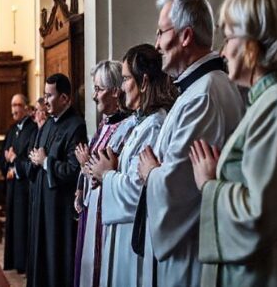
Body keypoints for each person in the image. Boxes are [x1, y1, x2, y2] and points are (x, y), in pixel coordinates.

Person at [190, 0, 277, 286]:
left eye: (229, 37)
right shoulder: (271, 99)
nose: (223, 51)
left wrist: (209, 185)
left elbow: (260, 215)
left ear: (253, 43)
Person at [136, 0, 244, 287]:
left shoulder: (204, 95)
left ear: (185, 36)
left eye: (161, 32)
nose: (156, 44)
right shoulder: (197, 89)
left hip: (190, 253)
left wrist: (150, 173)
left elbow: (180, 185)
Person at [87, 45, 176, 287]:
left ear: (143, 82)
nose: (122, 86)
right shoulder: (140, 123)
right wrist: (107, 171)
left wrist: (107, 175)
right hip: (123, 230)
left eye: (126, 79)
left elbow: (138, 191)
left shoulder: (154, 127)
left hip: (134, 235)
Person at [74, 61, 133, 287]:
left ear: (116, 91)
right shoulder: (104, 125)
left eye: (99, 89)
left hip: (108, 212)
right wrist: (81, 185)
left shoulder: (128, 127)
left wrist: (86, 164)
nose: (94, 95)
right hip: (92, 208)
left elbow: (109, 169)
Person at [26, 73, 87, 287]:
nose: (45, 101)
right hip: (41, 204)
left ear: (64, 98)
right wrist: (35, 160)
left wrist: (45, 162)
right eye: (44, 95)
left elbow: (73, 170)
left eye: (49, 96)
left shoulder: (76, 126)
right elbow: (35, 153)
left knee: (55, 261)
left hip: (58, 211)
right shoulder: (48, 124)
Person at [0, 93, 38, 274]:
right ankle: (14, 261)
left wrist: (15, 162)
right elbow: (3, 155)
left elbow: (30, 158)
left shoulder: (32, 130)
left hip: (24, 187)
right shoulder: (12, 130)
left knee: (22, 224)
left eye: (17, 105)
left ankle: (23, 264)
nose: (14, 110)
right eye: (12, 105)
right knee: (13, 224)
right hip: (12, 186)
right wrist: (7, 164)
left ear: (26, 108)